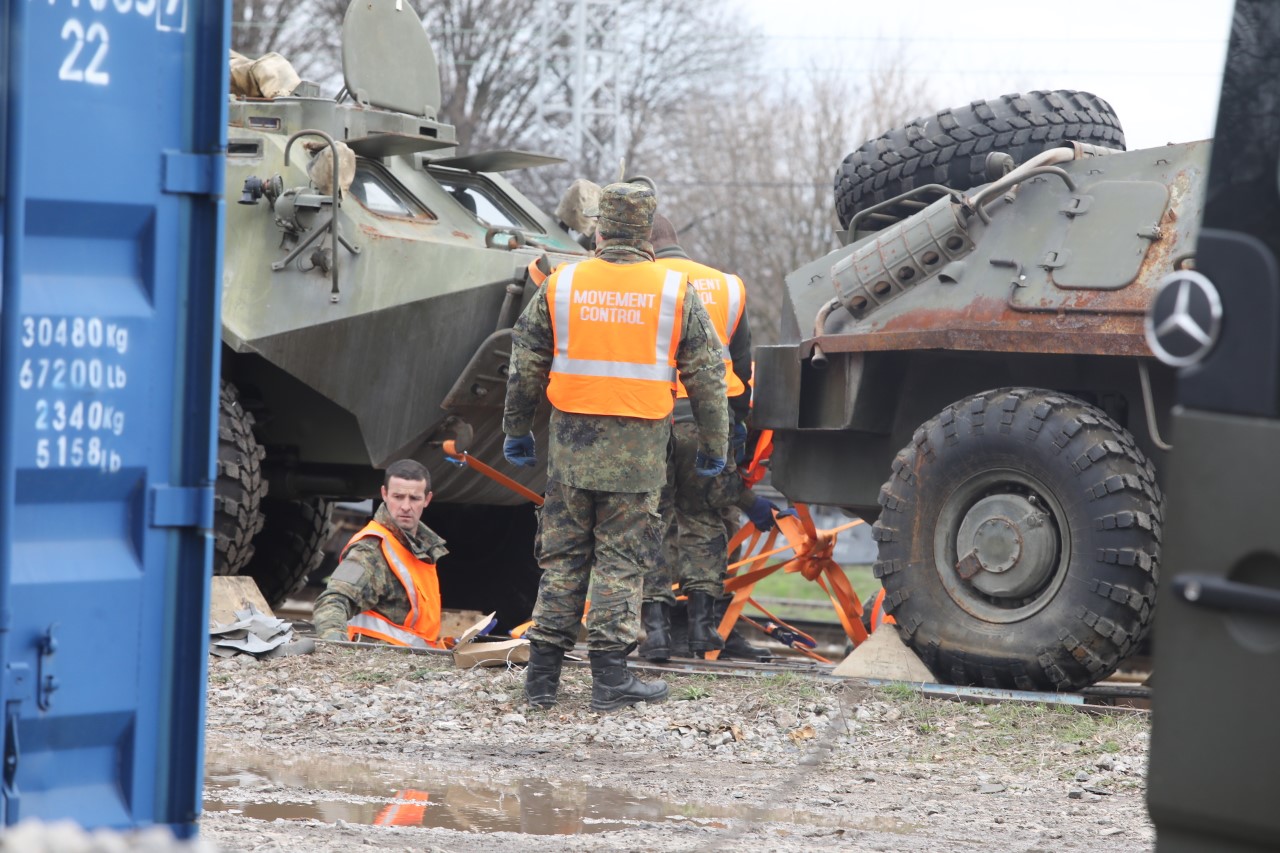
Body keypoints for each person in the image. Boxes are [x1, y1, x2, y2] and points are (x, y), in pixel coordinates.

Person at [502, 181, 729, 712]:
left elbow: (526, 359)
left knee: (562, 561)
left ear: (599, 230)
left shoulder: (563, 283)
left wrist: (516, 429)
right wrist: (714, 444)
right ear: (648, 235)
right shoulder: (674, 290)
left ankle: (540, 684)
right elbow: (708, 375)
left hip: (571, 452)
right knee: (620, 564)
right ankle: (609, 680)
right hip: (639, 455)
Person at [639, 213, 781, 661]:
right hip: (707, 420)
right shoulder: (727, 286)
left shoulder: (640, 281)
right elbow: (740, 367)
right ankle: (704, 630)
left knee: (652, 521)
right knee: (704, 520)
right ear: (675, 238)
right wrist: (734, 434)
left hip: (650, 417)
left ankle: (657, 634)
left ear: (645, 245)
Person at [312, 459, 449, 648]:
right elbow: (332, 602)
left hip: (409, 664)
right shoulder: (369, 550)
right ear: (384, 494)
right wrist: (337, 649)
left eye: (414, 498)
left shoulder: (421, 549)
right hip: (378, 665)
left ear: (427, 499)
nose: (406, 506)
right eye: (398, 497)